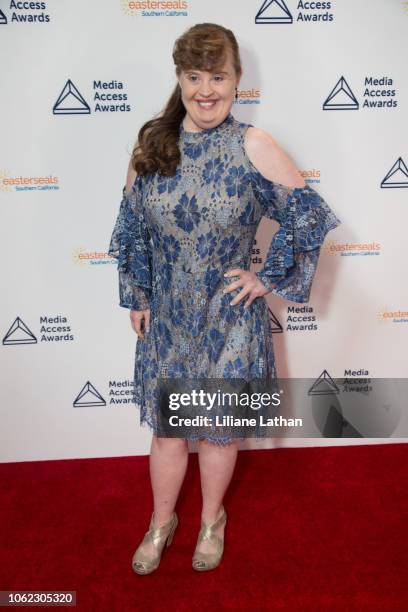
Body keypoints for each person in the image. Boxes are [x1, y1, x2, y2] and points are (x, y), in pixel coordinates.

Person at [108, 22, 341, 574]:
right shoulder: (152, 143)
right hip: (166, 314)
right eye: (194, 76)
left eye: (217, 76)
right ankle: (161, 522)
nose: (205, 89)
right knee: (167, 430)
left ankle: (211, 519)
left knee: (216, 428)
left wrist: (266, 279)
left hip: (229, 317)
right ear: (180, 79)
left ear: (238, 81)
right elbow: (131, 224)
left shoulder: (251, 145)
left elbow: (307, 215)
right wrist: (138, 292)